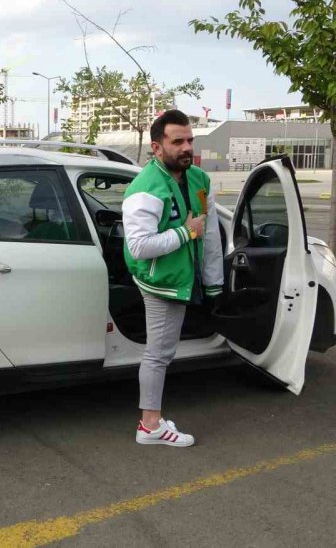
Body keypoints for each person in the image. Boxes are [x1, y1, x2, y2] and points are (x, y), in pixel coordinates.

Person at [121, 109, 223, 448]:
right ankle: (150, 426)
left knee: (161, 352)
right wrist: (184, 233)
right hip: (161, 281)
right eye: (177, 141)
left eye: (190, 140)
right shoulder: (145, 188)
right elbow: (138, 247)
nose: (186, 147)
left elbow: (208, 233)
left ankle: (151, 422)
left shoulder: (198, 180)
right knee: (159, 353)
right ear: (156, 147)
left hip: (183, 277)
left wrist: (213, 281)